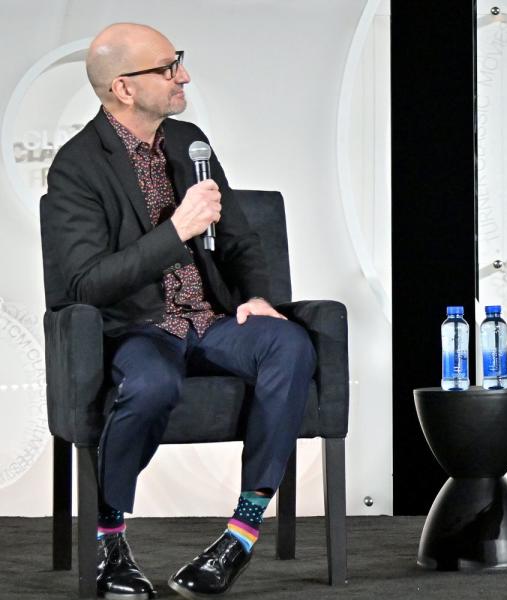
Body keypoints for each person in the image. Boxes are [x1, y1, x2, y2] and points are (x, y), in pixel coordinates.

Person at [40, 23, 316, 599]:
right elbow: (84, 283)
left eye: (178, 62)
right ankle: (111, 543)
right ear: (123, 88)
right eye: (168, 68)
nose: (182, 75)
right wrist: (176, 231)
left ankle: (239, 535)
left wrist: (257, 298)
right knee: (151, 384)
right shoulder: (76, 166)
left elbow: (239, 238)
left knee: (289, 342)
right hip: (137, 328)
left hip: (212, 321)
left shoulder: (190, 140)